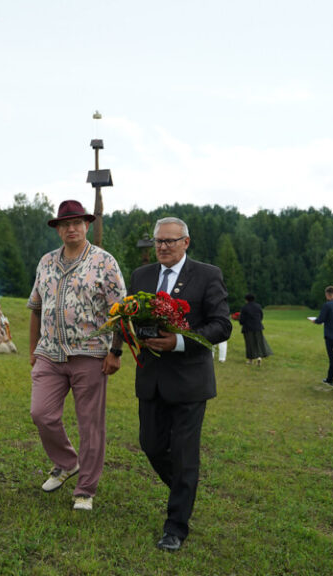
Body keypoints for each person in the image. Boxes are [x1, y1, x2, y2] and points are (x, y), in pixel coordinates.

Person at [129, 217, 232, 551]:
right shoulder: (141, 276)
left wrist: (180, 342)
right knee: (152, 446)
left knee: (185, 455)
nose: (163, 247)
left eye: (170, 241)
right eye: (159, 241)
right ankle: (184, 492)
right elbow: (129, 316)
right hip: (151, 379)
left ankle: (176, 527)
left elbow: (221, 325)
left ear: (186, 242)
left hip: (189, 382)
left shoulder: (207, 275)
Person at [27, 199, 126, 512]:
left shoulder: (104, 261)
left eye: (77, 223)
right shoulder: (45, 262)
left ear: (86, 225)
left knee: (90, 425)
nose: (71, 228)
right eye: (64, 224)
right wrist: (33, 350)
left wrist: (116, 351)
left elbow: (121, 311)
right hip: (49, 354)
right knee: (41, 414)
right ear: (58, 229)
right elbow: (35, 307)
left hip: (91, 354)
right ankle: (67, 462)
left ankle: (85, 490)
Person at [309, 285, 333, 386]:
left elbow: (321, 319)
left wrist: (315, 321)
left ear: (327, 295)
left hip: (330, 335)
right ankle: (330, 378)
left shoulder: (327, 305)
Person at [239, 293, 273, 366]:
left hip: (248, 328)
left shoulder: (245, 307)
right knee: (258, 342)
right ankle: (259, 357)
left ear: (246, 299)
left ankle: (250, 360)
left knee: (250, 344)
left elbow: (242, 319)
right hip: (258, 327)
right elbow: (261, 316)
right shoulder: (258, 306)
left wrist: (240, 322)